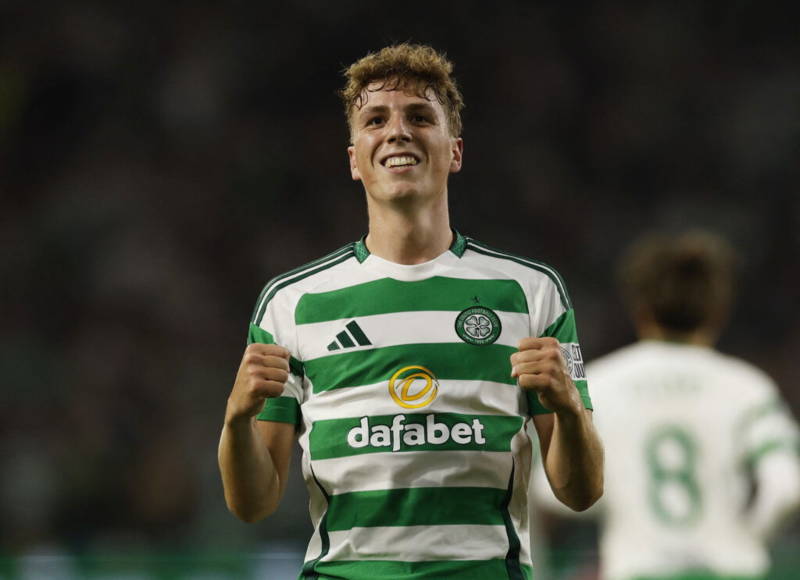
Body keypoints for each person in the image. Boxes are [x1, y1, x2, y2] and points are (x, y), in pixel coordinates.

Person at [218, 43, 603, 580]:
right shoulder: (291, 303)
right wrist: (236, 420)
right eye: (375, 120)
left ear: (455, 151)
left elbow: (581, 492)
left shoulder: (534, 292)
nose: (397, 131)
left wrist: (569, 409)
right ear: (354, 160)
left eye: (419, 117)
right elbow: (253, 503)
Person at [533, 230, 800, 580]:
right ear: (718, 310)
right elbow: (786, 488)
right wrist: (746, 541)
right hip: (730, 571)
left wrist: (623, 493)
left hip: (639, 570)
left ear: (639, 308)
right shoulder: (747, 387)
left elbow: (550, 491)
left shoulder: (598, 384)